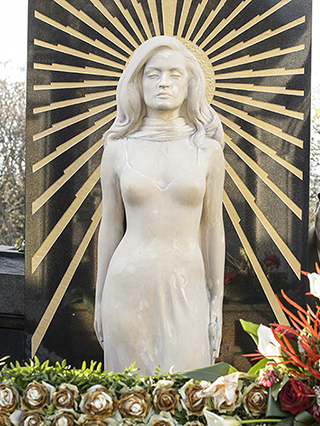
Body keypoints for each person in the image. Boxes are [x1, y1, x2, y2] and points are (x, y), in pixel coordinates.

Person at [94, 36, 225, 375]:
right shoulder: (117, 150)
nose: (164, 82)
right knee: (129, 401)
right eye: (153, 74)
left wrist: (217, 301)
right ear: (138, 83)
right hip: (126, 286)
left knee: (189, 395)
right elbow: (109, 226)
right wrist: (98, 299)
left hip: (188, 285)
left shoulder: (208, 151)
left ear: (189, 84)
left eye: (174, 74)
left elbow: (213, 227)